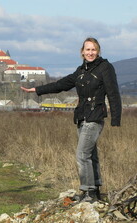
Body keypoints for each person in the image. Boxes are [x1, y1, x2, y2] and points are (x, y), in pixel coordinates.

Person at [21, 37, 122, 203]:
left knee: (82, 155)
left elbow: (113, 93)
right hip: (81, 117)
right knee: (91, 154)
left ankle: (87, 192)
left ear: (98, 51)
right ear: (82, 52)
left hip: (95, 116)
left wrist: (116, 119)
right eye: (87, 49)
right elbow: (61, 84)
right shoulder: (80, 71)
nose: (90, 53)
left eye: (93, 49)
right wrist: (37, 89)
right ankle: (95, 190)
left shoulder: (105, 68)